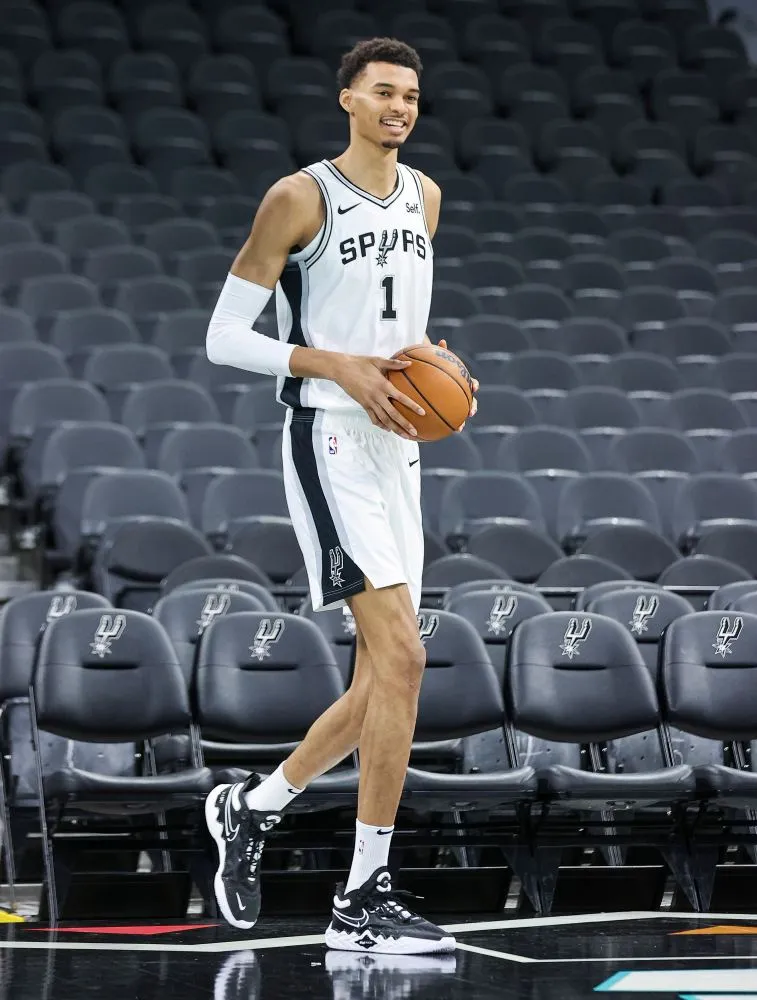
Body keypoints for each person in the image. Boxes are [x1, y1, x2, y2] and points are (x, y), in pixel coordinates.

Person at [203, 37, 478, 955]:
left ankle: (253, 806)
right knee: (402, 659)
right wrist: (336, 365)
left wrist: (432, 361)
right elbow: (223, 338)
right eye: (383, 93)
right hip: (325, 436)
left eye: (410, 95)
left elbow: (393, 318)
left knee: (381, 676)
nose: (399, 107)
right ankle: (362, 899)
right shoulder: (299, 196)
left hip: (397, 446)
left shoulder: (425, 197)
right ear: (347, 101)